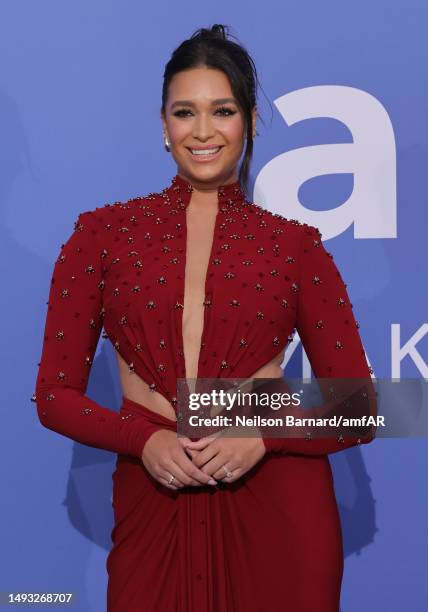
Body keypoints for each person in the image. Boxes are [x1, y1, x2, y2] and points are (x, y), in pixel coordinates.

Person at [34, 23, 375, 612]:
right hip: (152, 497)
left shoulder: (297, 246)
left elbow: (360, 406)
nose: (203, 131)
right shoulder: (101, 236)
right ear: (164, 126)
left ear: (248, 121)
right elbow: (54, 395)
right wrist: (144, 440)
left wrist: (261, 434)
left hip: (277, 511)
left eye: (222, 110)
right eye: (184, 112)